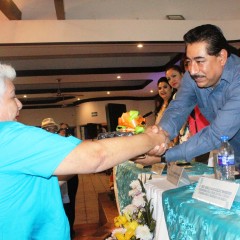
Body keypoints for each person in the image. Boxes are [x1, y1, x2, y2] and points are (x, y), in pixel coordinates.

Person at [0, 63, 166, 239]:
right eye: (12, 97)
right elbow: (96, 156)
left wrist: (130, 151)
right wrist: (153, 139)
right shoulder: (8, 136)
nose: (19, 104)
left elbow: (45, 182)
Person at [159, 24, 240, 167]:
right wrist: (159, 136)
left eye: (200, 61)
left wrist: (164, 156)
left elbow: (216, 134)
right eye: (188, 62)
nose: (192, 70)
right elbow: (178, 107)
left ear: (221, 57)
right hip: (233, 158)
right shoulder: (193, 77)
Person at [58, 122, 79, 239]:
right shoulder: (55, 143)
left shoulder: (72, 142)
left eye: (65, 129)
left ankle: (70, 229)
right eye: (61, 129)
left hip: (71, 178)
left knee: (70, 204)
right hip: (59, 179)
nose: (63, 131)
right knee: (61, 206)